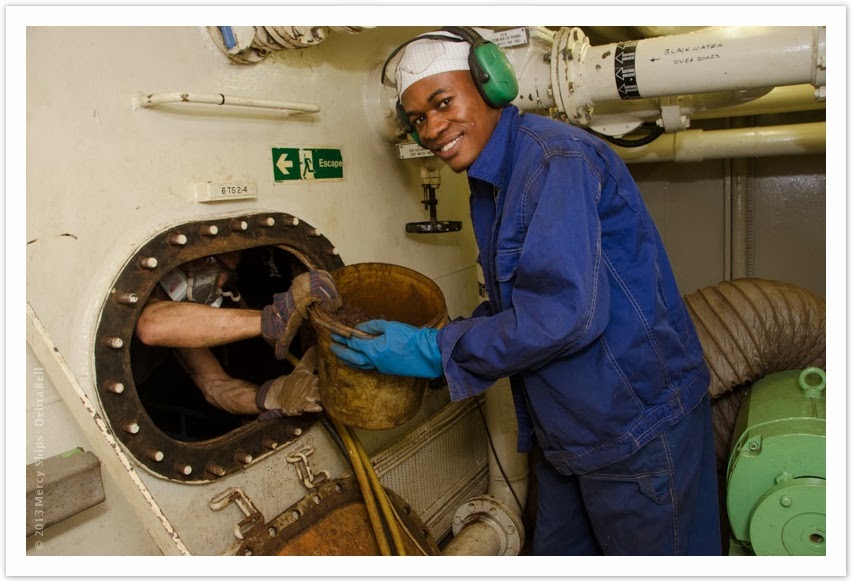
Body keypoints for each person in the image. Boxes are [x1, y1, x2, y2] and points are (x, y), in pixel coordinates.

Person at [331, 27, 721, 555]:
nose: (433, 129)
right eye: (418, 119)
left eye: (443, 103)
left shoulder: (555, 160)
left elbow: (563, 315)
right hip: (566, 433)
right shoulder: (491, 179)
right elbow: (522, 301)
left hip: (634, 430)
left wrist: (435, 350)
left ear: (491, 86)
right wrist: (442, 337)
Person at [135, 250, 340, 419]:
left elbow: (215, 386)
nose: (220, 283)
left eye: (228, 273)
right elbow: (150, 325)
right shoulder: (137, 296)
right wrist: (274, 318)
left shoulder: (182, 328)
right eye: (214, 265)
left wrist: (273, 396)